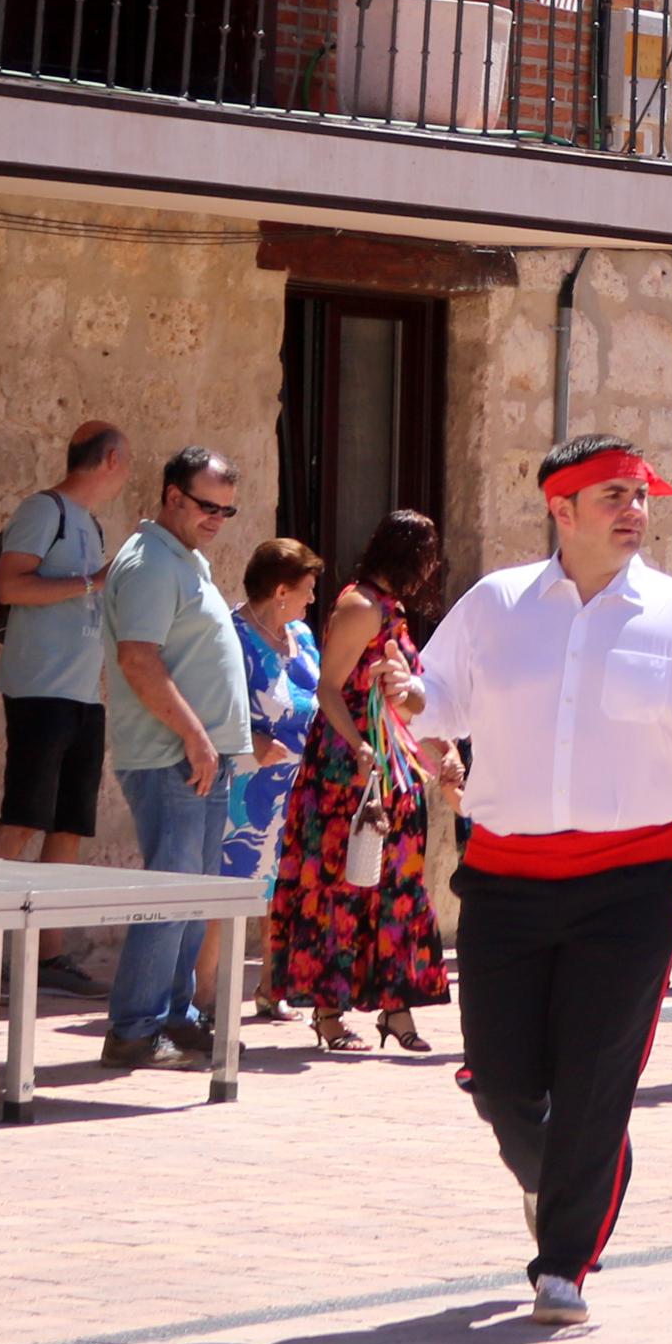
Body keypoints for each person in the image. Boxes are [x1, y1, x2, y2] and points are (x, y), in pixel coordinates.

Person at [398, 434, 672, 1328]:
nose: (634, 510)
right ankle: (568, 1173)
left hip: (631, 882)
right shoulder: (495, 604)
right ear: (560, 507)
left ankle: (564, 1261)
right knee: (501, 1082)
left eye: (640, 496)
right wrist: (406, 697)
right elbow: (437, 696)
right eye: (612, 495)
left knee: (596, 1075)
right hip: (507, 876)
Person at [272, 513, 451, 1054]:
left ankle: (396, 1008)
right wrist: (359, 746)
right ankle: (327, 1012)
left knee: (397, 886)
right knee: (340, 882)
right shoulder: (360, 607)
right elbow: (329, 689)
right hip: (348, 771)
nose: (431, 570)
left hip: (390, 771)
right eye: (426, 557)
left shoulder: (391, 613)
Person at [99, 447, 253, 1069]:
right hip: (173, 756)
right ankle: (133, 1030)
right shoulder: (149, 564)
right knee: (169, 895)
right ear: (171, 496)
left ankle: (174, 1014)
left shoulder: (184, 560)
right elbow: (139, 660)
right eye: (206, 505)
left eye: (227, 509)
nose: (216, 518)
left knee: (192, 896)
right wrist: (193, 735)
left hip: (200, 758)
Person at [0, 419, 130, 880]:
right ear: (111, 459)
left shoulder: (91, 523)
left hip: (84, 695)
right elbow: (9, 586)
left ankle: (49, 953)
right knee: (24, 816)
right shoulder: (44, 511)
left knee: (69, 827)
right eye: (126, 460)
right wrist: (93, 581)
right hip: (40, 690)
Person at [204, 537, 322, 1025]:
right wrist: (249, 738)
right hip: (246, 784)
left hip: (295, 781)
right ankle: (203, 998)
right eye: (306, 589)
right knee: (232, 888)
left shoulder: (303, 636)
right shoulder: (233, 636)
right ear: (280, 591)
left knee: (281, 887)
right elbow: (211, 702)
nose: (312, 598)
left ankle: (274, 987)